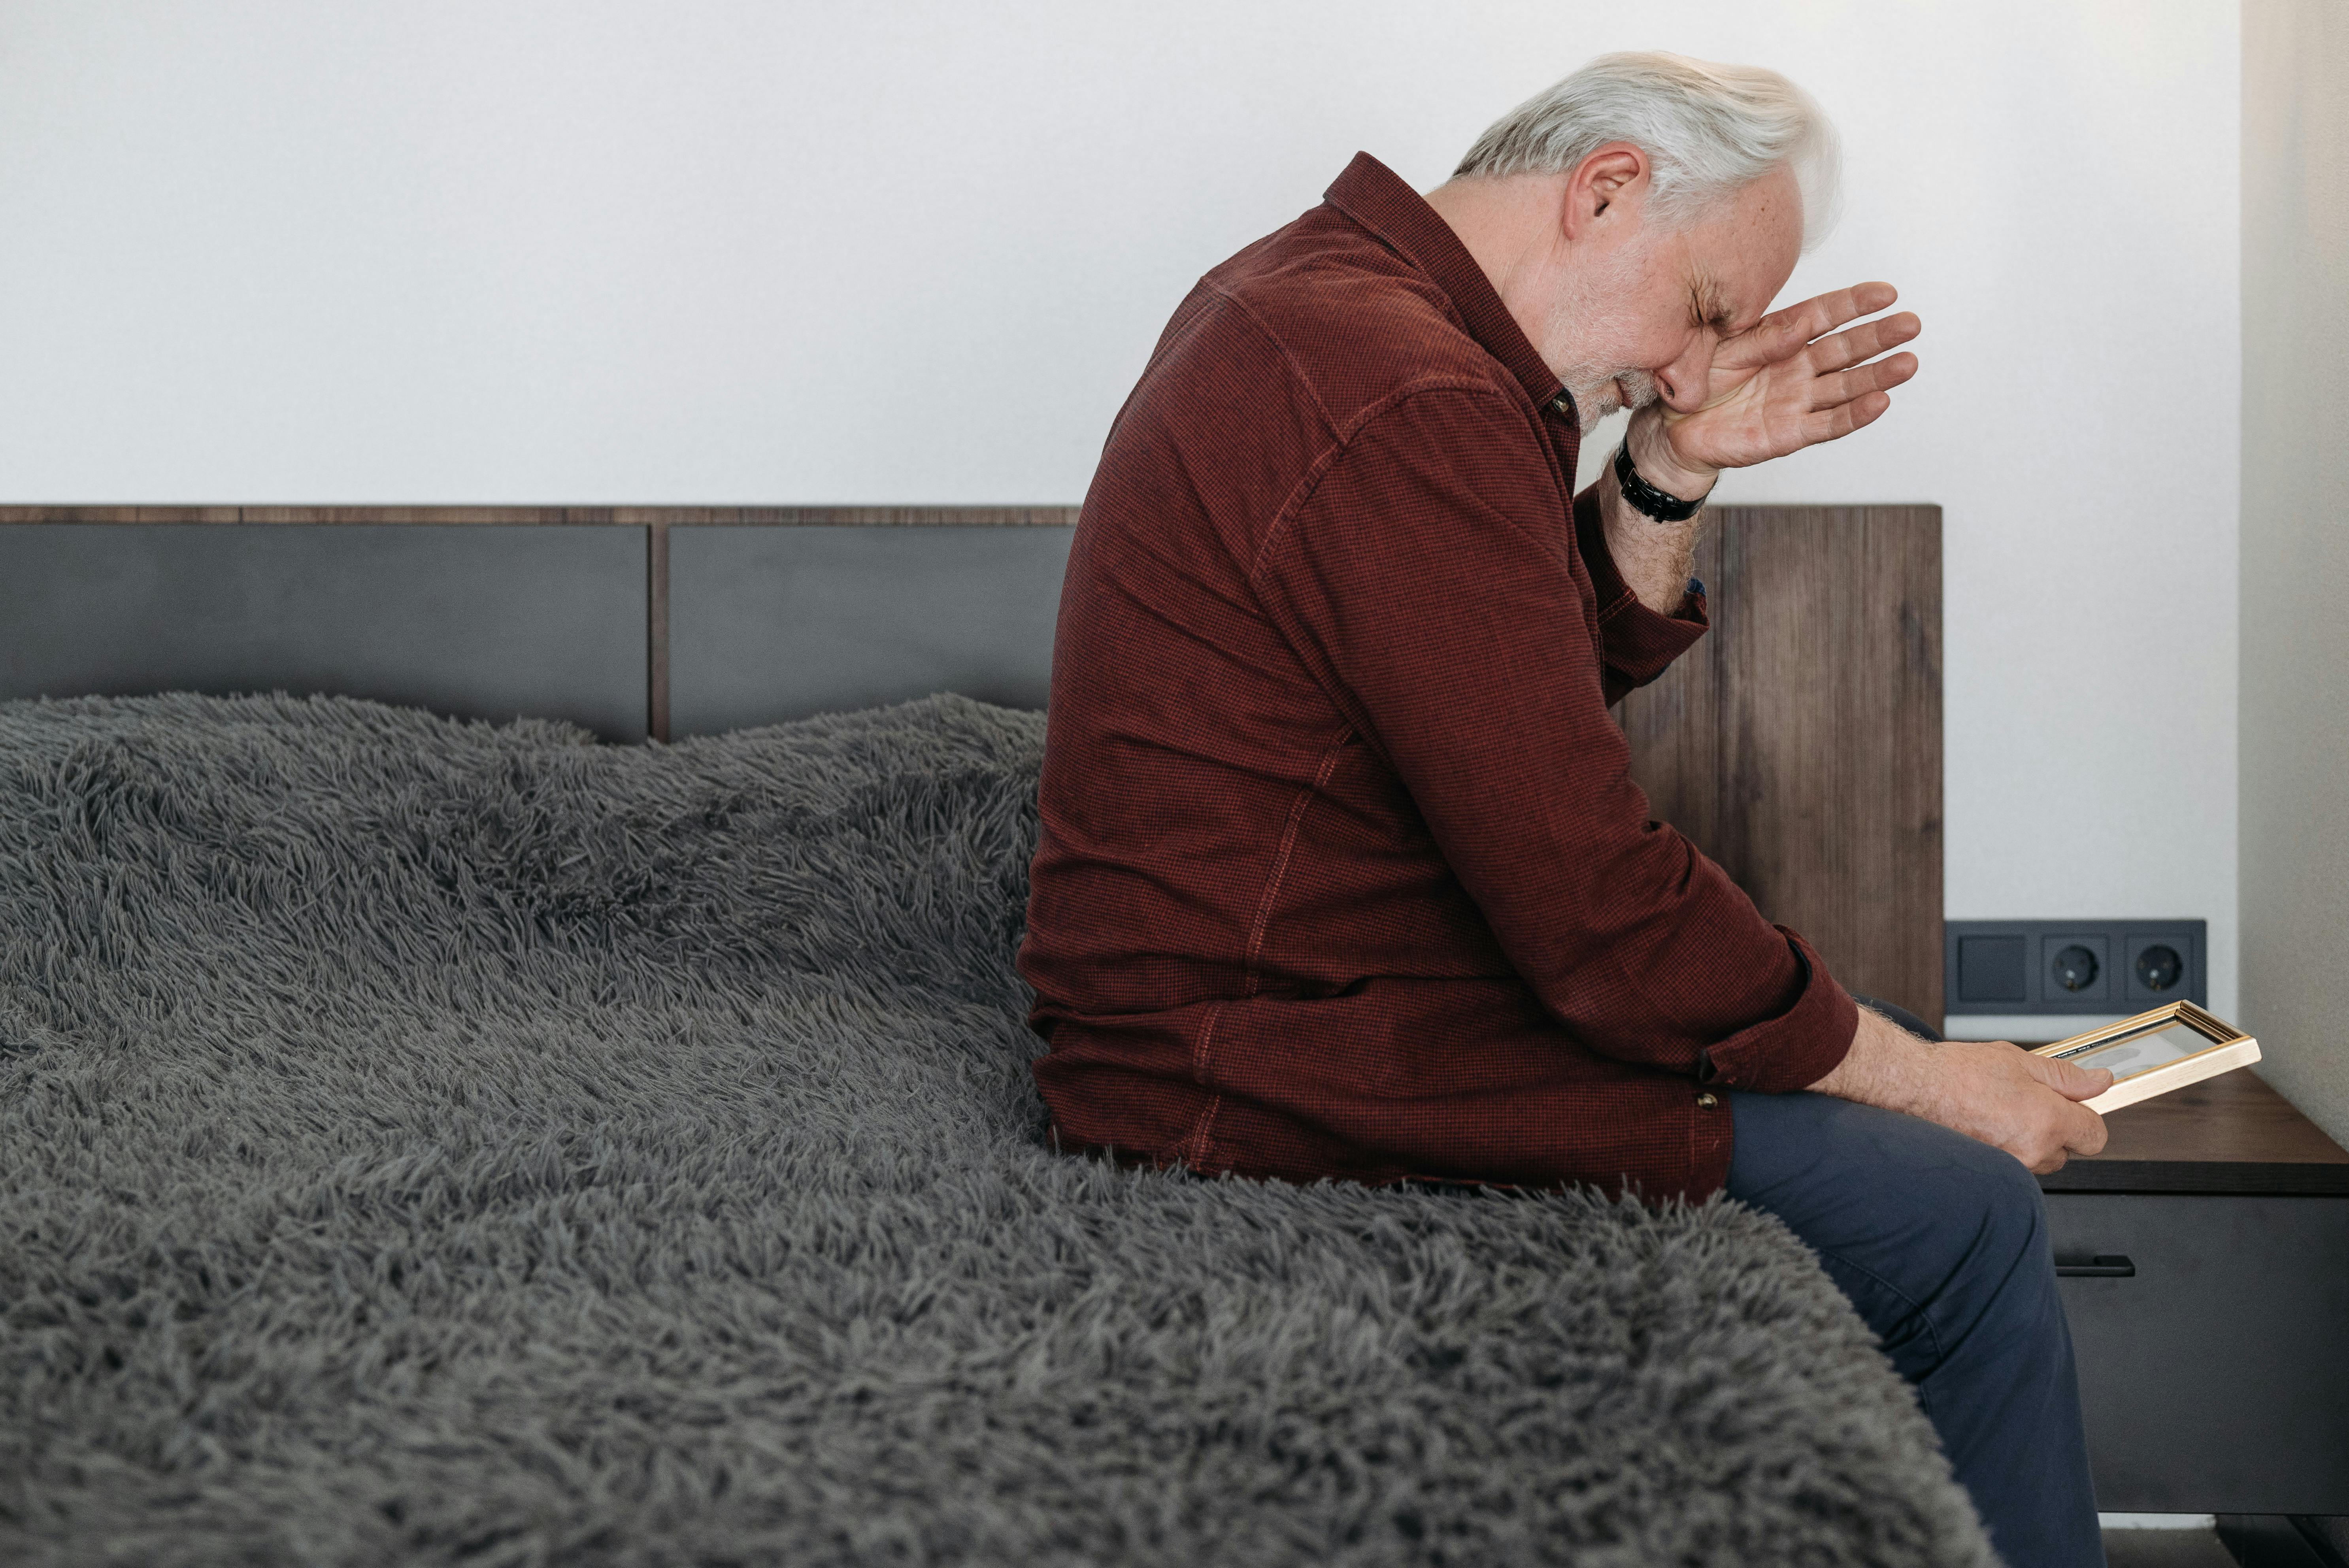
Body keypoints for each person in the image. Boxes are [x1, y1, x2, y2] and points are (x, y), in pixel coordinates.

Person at [1018, 51, 2112, 1566]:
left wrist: (1662, 476)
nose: (1688, 369)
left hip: (1245, 1019)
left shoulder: (1323, 302)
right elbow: (1592, 902)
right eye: (1708, 313)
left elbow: (1508, 716)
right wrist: (1930, 1078)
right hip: (1266, 1067)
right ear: (1606, 189)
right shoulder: (1405, 394)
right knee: (1968, 1216)